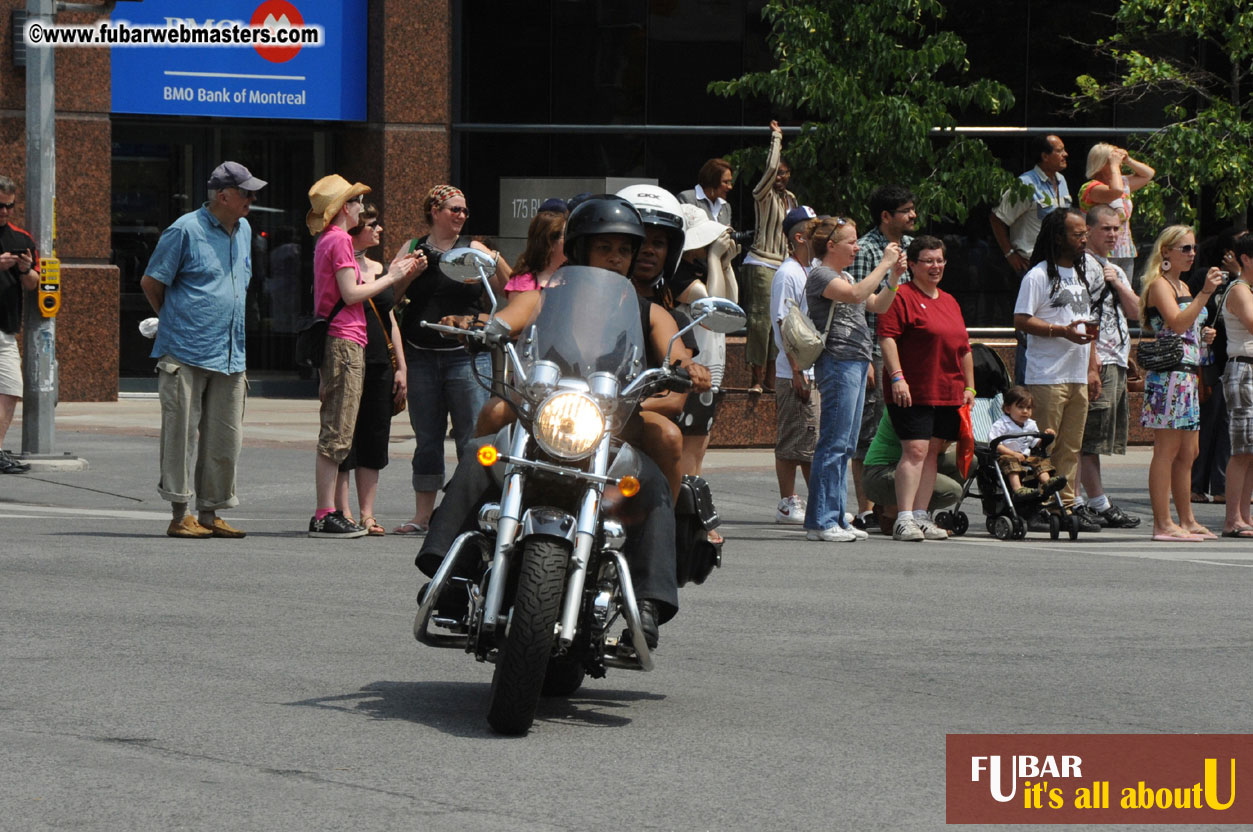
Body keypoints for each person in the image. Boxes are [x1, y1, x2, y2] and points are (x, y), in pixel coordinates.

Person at [417, 195, 687, 649]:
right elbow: (509, 318)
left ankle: (648, 595)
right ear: (581, 249)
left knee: (666, 437)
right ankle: (452, 566)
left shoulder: (648, 311)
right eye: (606, 247)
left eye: (625, 249)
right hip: (548, 416)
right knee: (493, 423)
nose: (617, 257)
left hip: (612, 423)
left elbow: (674, 354)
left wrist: (683, 366)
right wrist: (482, 323)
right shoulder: (544, 298)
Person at [139, 162, 265, 538]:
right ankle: (180, 514)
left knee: (225, 437)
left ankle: (210, 513)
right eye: (246, 193)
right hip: (185, 351)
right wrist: (174, 321)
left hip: (230, 352)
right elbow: (151, 282)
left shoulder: (242, 229)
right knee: (181, 436)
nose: (252, 199)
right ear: (223, 196)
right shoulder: (185, 229)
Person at [306, 175, 422, 538]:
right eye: (356, 202)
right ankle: (325, 513)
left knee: (341, 429)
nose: (361, 208)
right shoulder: (339, 239)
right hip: (344, 341)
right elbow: (351, 293)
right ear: (344, 208)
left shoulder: (330, 239)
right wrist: (394, 276)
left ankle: (330, 511)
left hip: (345, 341)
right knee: (338, 431)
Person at [394, 185, 512, 535]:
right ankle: (423, 516)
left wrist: (494, 257)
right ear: (434, 210)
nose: (461, 216)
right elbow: (388, 295)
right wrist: (408, 275)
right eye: (454, 210)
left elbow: (510, 288)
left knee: (471, 438)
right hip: (421, 356)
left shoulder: (472, 248)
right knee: (427, 437)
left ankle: (468, 514)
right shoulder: (413, 249)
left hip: (466, 357)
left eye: (464, 210)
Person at [803, 216, 904, 542]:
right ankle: (821, 521)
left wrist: (894, 276)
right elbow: (858, 293)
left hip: (856, 362)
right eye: (851, 242)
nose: (857, 247)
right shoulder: (820, 275)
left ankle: (834, 516)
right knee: (832, 443)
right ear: (831, 246)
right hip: (837, 361)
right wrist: (885, 262)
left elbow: (877, 304)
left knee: (845, 445)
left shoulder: (843, 275)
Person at [877, 236, 974, 542]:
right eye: (928, 261)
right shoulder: (901, 295)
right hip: (913, 389)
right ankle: (903, 517)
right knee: (915, 450)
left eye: (940, 260)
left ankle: (921, 514)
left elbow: (964, 348)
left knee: (932, 451)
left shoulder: (949, 300)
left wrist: (970, 386)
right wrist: (897, 377)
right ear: (913, 265)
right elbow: (887, 338)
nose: (935, 267)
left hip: (947, 390)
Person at [1011, 208, 1100, 533]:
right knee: (1041, 446)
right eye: (1078, 234)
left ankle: (1064, 505)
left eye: (1084, 233)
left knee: (1070, 448)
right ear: (1058, 237)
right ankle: (1035, 505)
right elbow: (1021, 320)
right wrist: (1060, 331)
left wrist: (1092, 367)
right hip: (1047, 376)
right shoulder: (1038, 275)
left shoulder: (1081, 275)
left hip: (1076, 375)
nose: (1084, 239)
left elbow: (1088, 327)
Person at [1138, 225, 1222, 542]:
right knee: (1167, 450)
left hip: (1187, 372)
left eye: (1193, 248)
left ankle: (1186, 519)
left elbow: (1188, 328)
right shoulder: (1160, 286)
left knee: (1189, 451)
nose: (1192, 254)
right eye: (1185, 248)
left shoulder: (1182, 285)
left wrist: (1204, 335)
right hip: (1168, 376)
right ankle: (1163, 522)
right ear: (1167, 253)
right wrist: (1205, 295)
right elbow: (1176, 322)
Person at [333, 204, 407, 537]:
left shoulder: (381, 267)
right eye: (373, 225)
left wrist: (401, 367)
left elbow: (390, 319)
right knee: (345, 436)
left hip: (380, 362)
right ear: (356, 229)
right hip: (349, 357)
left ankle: (367, 513)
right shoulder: (342, 265)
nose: (379, 230)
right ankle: (342, 511)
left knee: (375, 436)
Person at [850, 184, 916, 529]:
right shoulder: (866, 249)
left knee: (902, 429)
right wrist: (866, 359)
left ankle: (893, 507)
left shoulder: (913, 248)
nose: (913, 216)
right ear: (886, 216)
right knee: (869, 432)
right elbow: (860, 304)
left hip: (907, 350)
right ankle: (867, 508)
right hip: (875, 348)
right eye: (906, 210)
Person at [1074, 205, 1142, 528]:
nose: (1113, 234)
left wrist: (1119, 283)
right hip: (1096, 358)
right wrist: (1091, 358)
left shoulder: (1115, 269)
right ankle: (1082, 501)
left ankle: (1096, 499)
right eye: (1106, 229)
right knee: (1086, 435)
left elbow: (1136, 312)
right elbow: (1081, 315)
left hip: (1115, 357)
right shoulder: (1081, 266)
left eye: (1117, 229)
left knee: (1099, 437)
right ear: (1088, 231)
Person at [990, 134, 1073, 385]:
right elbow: (997, 218)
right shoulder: (1024, 184)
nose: (1065, 154)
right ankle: (1026, 388)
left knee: (1053, 323)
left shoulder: (1062, 181)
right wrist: (1009, 254)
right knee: (1028, 330)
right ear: (1044, 156)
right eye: (1059, 150)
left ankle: (1051, 381)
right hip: (1029, 266)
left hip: (1058, 266)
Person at [672, 204, 738, 505]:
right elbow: (711, 308)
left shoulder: (700, 269)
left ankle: (693, 506)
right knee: (690, 445)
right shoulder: (679, 274)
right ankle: (689, 507)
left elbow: (730, 306)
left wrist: (724, 265)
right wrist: (713, 259)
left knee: (700, 443)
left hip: (711, 368)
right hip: (693, 368)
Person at [770, 205, 820, 524]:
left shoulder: (810, 269)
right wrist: (797, 372)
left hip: (809, 369)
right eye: (815, 232)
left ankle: (816, 501)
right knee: (792, 440)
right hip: (794, 372)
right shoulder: (787, 273)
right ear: (799, 237)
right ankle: (787, 503)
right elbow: (783, 322)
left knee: (809, 440)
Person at [740, 120, 798, 394]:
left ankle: (773, 380)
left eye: (785, 173)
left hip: (783, 265)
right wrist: (777, 139)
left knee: (780, 321)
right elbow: (771, 168)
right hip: (761, 263)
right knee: (760, 320)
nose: (780, 177)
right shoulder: (763, 195)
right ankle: (756, 379)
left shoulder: (791, 199)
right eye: (777, 173)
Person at [1188, 229, 1245, 504]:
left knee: (1226, 428)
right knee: (1207, 424)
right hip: (1208, 361)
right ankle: (1196, 485)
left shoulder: (1240, 282)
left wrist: (1237, 274)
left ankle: (1221, 486)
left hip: (1228, 359)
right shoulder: (1204, 277)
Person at [861, 412, 964, 535]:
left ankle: (921, 516)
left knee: (966, 461)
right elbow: (931, 447)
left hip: (913, 465)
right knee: (951, 490)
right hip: (880, 471)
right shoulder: (908, 405)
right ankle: (893, 513)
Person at [0, 175, 38, 474]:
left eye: (9, 206)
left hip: (6, 329)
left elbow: (33, 283)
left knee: (11, 389)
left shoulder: (21, 239)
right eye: (0, 206)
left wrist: (26, 269)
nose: (4, 212)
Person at [1076, 143, 1155, 282]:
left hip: (1125, 251)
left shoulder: (1122, 182)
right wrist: (1114, 166)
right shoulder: (1090, 188)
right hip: (1101, 250)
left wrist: (1128, 160)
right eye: (1112, 160)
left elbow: (1148, 174)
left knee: (1124, 294)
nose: (1118, 163)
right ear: (1101, 163)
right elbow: (1116, 191)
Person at [1219, 234, 1253, 537]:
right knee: (1242, 449)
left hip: (1249, 371)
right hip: (1243, 370)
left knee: (1251, 450)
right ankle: (1232, 519)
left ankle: (1245, 516)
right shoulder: (1240, 290)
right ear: (1245, 259)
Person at [988, 385, 1062, 499]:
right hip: (1006, 456)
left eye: (1028, 408)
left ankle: (1047, 483)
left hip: (1025, 456)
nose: (1025, 411)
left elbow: (1036, 443)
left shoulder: (1031, 424)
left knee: (1039, 461)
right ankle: (1018, 489)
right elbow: (995, 443)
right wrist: (1012, 454)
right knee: (1010, 462)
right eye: (1020, 407)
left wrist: (1046, 436)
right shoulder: (1001, 424)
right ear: (1008, 409)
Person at [502, 210, 566, 299]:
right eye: (566, 236)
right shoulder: (522, 285)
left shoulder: (572, 278)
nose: (572, 242)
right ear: (550, 243)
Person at [678, 158, 733, 226]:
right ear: (713, 181)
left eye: (730, 182)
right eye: (725, 182)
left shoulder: (726, 207)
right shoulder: (688, 199)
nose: (730, 187)